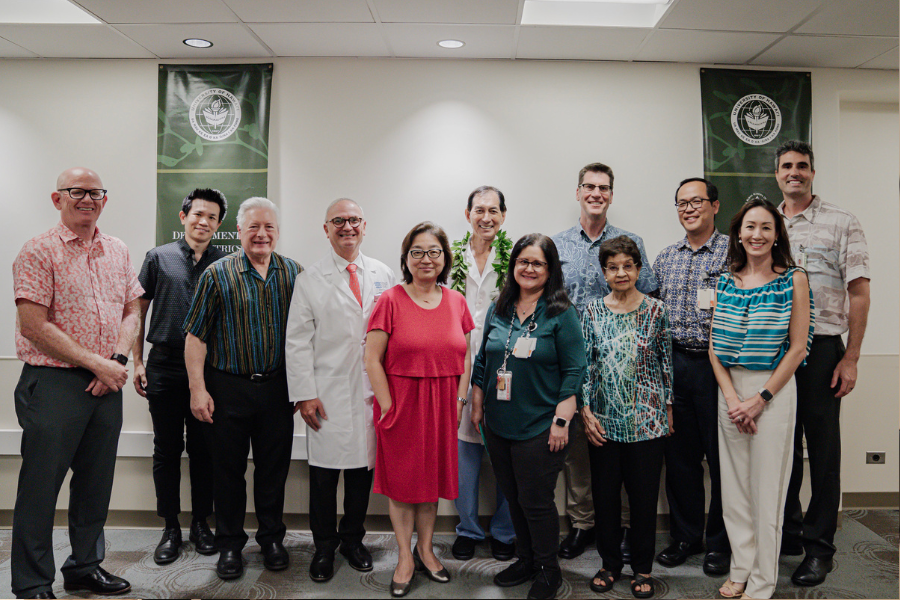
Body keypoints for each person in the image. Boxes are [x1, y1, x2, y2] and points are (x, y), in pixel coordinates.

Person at [12, 167, 142, 599]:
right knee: (40, 488)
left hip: (108, 384)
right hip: (54, 384)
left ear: (104, 199)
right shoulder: (38, 251)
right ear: (57, 198)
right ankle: (32, 582)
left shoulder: (118, 250)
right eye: (77, 191)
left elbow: (132, 310)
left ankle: (85, 566)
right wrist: (97, 364)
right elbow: (33, 325)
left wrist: (117, 361)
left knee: (95, 483)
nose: (87, 199)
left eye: (95, 192)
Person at [183, 197, 302, 581]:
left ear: (278, 233)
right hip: (227, 388)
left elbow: (306, 337)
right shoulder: (217, 274)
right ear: (239, 232)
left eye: (269, 227)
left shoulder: (295, 274)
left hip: (277, 390)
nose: (262, 234)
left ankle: (271, 539)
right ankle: (230, 545)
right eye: (253, 227)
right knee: (227, 472)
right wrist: (197, 390)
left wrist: (303, 387)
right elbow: (195, 337)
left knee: (273, 470)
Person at [470, 233, 586, 600]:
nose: (529, 268)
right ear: (513, 266)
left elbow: (575, 370)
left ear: (549, 270)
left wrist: (562, 421)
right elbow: (483, 359)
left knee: (536, 501)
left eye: (538, 263)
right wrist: (476, 401)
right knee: (514, 496)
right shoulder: (498, 308)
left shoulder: (560, 313)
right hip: (498, 424)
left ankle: (549, 571)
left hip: (541, 426)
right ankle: (526, 560)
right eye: (523, 261)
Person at [775, 141, 871, 587]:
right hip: (774, 352)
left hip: (824, 349)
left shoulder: (841, 221)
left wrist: (850, 358)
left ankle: (820, 549)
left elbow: (859, 293)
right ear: (776, 174)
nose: (794, 173)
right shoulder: (766, 224)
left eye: (802, 166)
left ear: (813, 172)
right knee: (783, 449)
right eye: (787, 167)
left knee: (824, 452)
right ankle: (790, 533)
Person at [286, 198, 396, 582]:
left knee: (361, 474)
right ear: (326, 229)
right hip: (325, 394)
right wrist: (303, 394)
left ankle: (353, 540)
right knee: (323, 478)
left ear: (364, 226)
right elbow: (297, 341)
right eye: (338, 221)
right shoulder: (309, 279)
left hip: (370, 392)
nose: (347, 227)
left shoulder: (384, 274)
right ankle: (324, 547)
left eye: (353, 220)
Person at [552, 162, 658, 560]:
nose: (596, 193)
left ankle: (626, 527)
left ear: (611, 195)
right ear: (577, 192)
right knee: (578, 446)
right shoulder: (557, 245)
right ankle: (583, 524)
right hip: (571, 359)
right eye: (589, 187)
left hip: (624, 364)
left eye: (604, 188)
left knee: (623, 441)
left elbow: (648, 296)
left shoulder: (631, 242)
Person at [709, 197, 813, 600]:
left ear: (776, 235)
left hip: (774, 390)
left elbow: (799, 348)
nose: (757, 234)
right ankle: (741, 568)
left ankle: (762, 583)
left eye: (766, 227)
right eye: (750, 227)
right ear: (738, 233)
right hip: (730, 391)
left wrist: (760, 399)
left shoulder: (794, 279)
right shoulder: (723, 280)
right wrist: (734, 397)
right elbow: (714, 348)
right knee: (734, 492)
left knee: (767, 492)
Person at [364, 221, 474, 597]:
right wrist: (387, 406)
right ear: (406, 258)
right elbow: (372, 358)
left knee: (430, 487)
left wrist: (460, 400)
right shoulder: (390, 300)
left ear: (445, 257)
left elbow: (466, 356)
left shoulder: (457, 301)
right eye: (417, 252)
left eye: (434, 252)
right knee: (402, 487)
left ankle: (426, 550)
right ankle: (404, 556)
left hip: (443, 405)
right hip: (402, 405)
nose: (426, 259)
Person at [133, 188, 227, 565]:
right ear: (183, 215)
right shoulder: (158, 258)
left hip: (210, 369)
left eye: (212, 218)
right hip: (165, 366)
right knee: (167, 449)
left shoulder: (226, 262)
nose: (203, 222)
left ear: (219, 225)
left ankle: (200, 522)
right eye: (198, 214)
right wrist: (136, 361)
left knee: (204, 449)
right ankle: (170, 525)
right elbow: (137, 311)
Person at [581, 235, 673, 599]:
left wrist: (667, 412)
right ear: (604, 272)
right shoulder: (590, 312)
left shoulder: (656, 310)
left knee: (644, 499)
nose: (621, 273)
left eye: (628, 266)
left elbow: (667, 366)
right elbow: (584, 367)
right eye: (613, 267)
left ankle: (643, 568)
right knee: (604, 498)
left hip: (647, 423)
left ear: (638, 269)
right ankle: (609, 565)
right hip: (603, 422)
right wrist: (586, 412)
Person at [653, 178, 731, 575]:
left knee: (723, 462)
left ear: (715, 205)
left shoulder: (734, 253)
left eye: (696, 201)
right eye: (681, 202)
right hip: (675, 366)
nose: (688, 208)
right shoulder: (666, 257)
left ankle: (720, 543)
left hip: (719, 369)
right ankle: (685, 537)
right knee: (680, 459)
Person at [450, 186, 516, 563]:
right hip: (457, 370)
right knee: (465, 455)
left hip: (503, 372)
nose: (486, 217)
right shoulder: (450, 257)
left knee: (506, 452)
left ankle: (505, 530)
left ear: (503, 216)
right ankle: (468, 529)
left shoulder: (514, 259)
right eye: (479, 210)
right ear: (467, 214)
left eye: (493, 210)